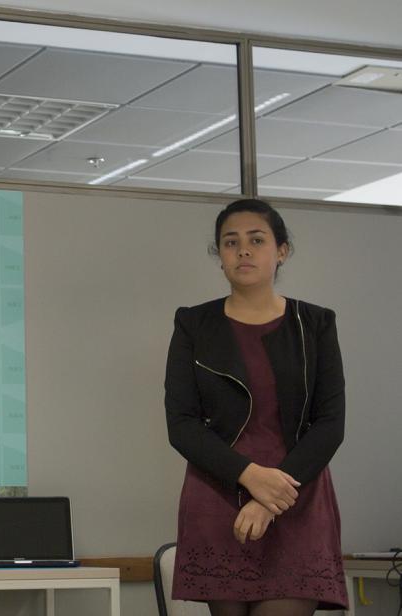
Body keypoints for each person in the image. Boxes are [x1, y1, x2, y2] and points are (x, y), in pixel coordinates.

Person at [164, 199, 347, 616]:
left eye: (257, 240)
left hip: (296, 492)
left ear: (281, 251)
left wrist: (270, 497)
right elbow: (182, 424)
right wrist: (249, 476)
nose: (243, 250)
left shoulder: (315, 323)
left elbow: (330, 423)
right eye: (231, 242)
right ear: (220, 255)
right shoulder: (193, 324)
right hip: (219, 492)